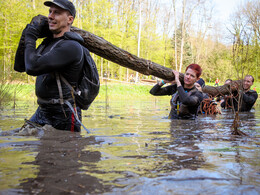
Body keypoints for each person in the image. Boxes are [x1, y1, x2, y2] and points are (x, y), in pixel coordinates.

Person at [14, 0, 85, 132]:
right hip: (42, 110)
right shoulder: (47, 43)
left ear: (70, 19)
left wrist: (31, 36)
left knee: (62, 150)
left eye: (56, 13)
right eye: (50, 12)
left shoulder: (71, 46)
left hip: (63, 113)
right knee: (20, 139)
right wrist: (26, 34)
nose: (50, 16)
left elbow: (32, 68)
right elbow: (20, 66)